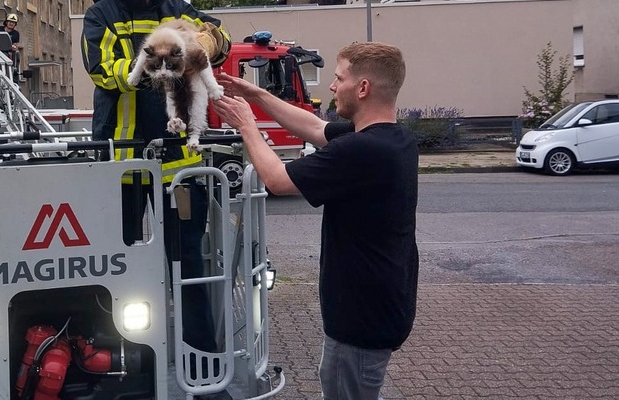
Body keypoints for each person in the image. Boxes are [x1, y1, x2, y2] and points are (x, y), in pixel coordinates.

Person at [211, 42, 419, 400]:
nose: (333, 87)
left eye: (339, 79)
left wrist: (246, 125)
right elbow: (315, 128)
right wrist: (257, 94)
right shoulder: (393, 139)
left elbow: (277, 179)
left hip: (361, 318)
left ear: (363, 88)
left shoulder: (362, 150)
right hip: (378, 306)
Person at [81, 2, 232, 399]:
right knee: (117, 276)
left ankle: (204, 376)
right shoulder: (103, 14)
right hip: (123, 165)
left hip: (179, 166)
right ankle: (121, 376)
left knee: (189, 273)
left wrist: (204, 43)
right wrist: (161, 60)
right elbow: (101, 69)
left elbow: (223, 39)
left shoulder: (178, 8)